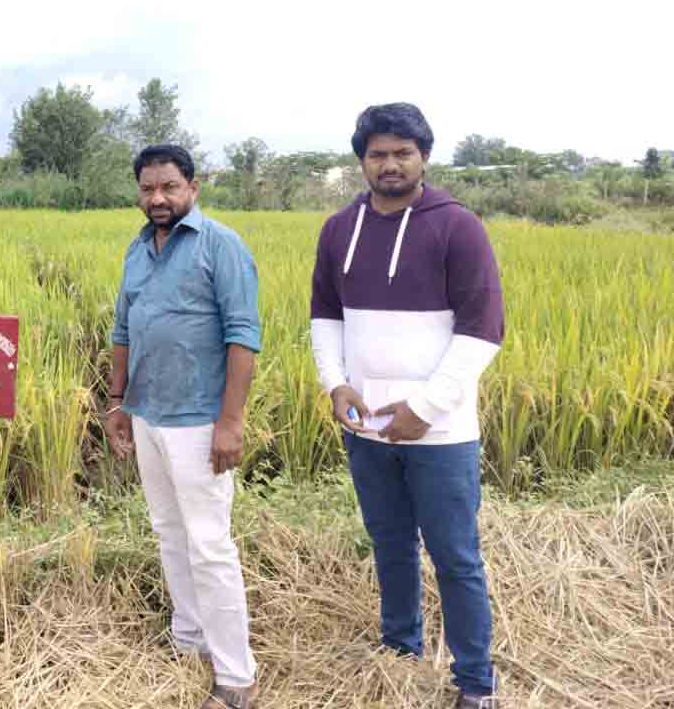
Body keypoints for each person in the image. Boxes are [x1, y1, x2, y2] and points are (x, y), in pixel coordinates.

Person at [309, 103, 504, 709]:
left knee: (454, 553)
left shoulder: (458, 227)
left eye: (402, 153)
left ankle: (475, 681)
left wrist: (425, 407)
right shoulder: (340, 228)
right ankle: (400, 647)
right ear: (361, 160)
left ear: (423, 156)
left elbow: (482, 330)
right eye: (377, 154)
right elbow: (325, 315)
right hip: (365, 425)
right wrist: (334, 383)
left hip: (440, 432)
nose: (389, 164)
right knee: (389, 539)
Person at [105, 144, 263, 709]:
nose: (158, 198)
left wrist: (230, 421)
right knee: (169, 531)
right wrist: (119, 401)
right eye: (148, 188)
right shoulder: (137, 248)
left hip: (200, 421)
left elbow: (243, 334)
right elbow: (123, 328)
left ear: (192, 187)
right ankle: (189, 637)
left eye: (169, 187)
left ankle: (235, 676)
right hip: (148, 414)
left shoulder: (220, 245)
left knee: (209, 544)